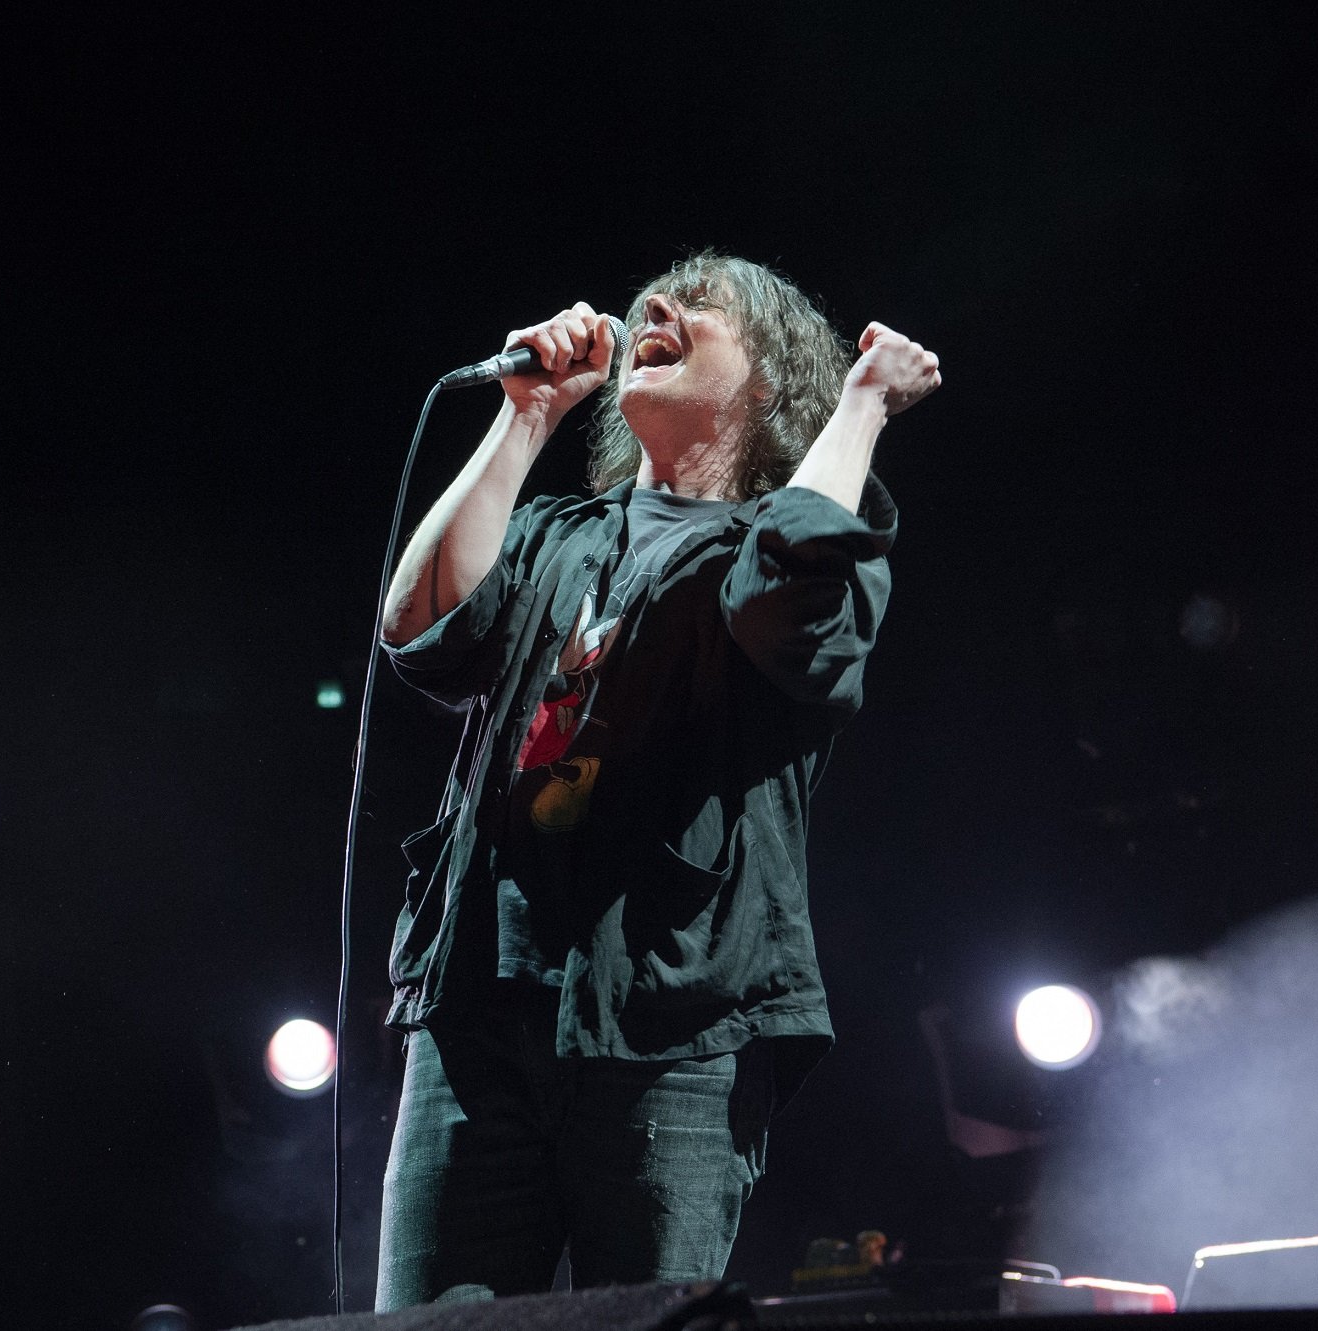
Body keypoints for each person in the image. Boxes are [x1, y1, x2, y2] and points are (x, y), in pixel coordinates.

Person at [373, 251, 940, 1309]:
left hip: (672, 1020)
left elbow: (792, 600)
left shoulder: (785, 541)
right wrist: (528, 414)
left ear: (771, 384)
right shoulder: (556, 534)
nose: (656, 307)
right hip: (477, 1012)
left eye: (704, 306)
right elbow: (416, 628)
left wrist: (859, 408)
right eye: (653, 301)